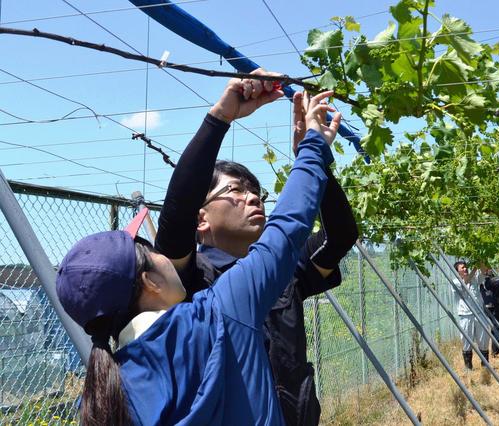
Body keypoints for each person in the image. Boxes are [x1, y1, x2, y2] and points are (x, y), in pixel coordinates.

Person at [55, 73, 342, 425]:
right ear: (151, 281)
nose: (252, 197)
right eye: (234, 191)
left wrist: (221, 118)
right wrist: (312, 148)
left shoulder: (108, 395)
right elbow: (286, 225)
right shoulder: (221, 307)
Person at [153, 88, 357, 425]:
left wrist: (315, 158)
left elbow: (341, 237)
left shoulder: (283, 273)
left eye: (255, 192)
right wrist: (220, 117)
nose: (253, 198)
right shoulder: (189, 281)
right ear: (201, 218)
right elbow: (175, 221)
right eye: (235, 190)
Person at [453, 261, 491, 370]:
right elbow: (465, 281)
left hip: (479, 314)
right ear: (457, 271)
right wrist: (474, 268)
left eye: (466, 267)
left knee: (483, 339)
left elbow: (485, 271)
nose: (465, 269)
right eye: (462, 268)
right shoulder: (455, 281)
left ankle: (485, 366)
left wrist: (480, 259)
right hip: (466, 316)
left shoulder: (475, 278)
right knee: (466, 341)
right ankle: (468, 367)